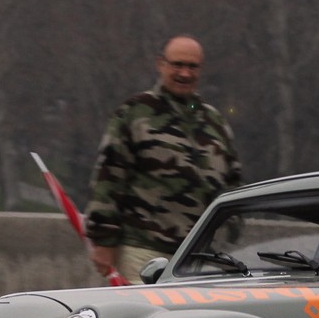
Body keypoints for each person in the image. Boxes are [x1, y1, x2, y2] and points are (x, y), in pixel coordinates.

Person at [87, 36, 241, 283]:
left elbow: (234, 184)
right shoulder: (135, 113)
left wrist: (229, 235)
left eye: (192, 67)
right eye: (177, 64)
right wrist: (103, 240)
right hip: (144, 251)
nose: (184, 73)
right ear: (161, 64)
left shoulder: (215, 123)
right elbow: (108, 178)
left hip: (200, 258)